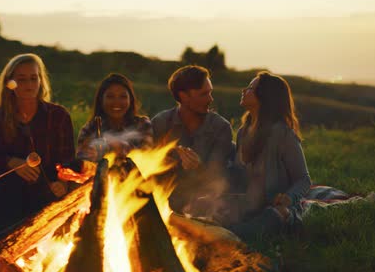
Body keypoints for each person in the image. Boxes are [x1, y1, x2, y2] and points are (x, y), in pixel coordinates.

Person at [0, 53, 74, 227]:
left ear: (41, 81)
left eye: (33, 78)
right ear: (10, 83)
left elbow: (67, 159)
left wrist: (62, 182)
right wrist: (12, 162)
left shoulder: (58, 116)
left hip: (47, 194)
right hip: (8, 196)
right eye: (21, 79)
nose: (29, 85)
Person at [228, 71, 312, 240]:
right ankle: (229, 231)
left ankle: (232, 235)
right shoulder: (243, 132)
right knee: (205, 202)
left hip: (273, 207)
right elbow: (238, 174)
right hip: (248, 203)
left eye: (251, 87)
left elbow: (304, 179)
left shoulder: (283, 134)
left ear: (265, 96)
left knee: (272, 218)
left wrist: (289, 198)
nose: (244, 90)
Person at [151, 65, 234, 219]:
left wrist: (199, 167)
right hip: (164, 198)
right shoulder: (161, 123)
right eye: (204, 94)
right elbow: (147, 168)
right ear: (184, 96)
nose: (210, 99)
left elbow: (217, 176)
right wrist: (164, 161)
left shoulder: (221, 128)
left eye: (210, 93)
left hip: (202, 202)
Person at [77, 73, 153, 161]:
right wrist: (87, 154)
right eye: (110, 97)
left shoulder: (142, 124)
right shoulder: (90, 128)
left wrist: (115, 147)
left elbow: (147, 155)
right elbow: (80, 161)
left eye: (123, 97)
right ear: (101, 100)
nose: (116, 102)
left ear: (130, 100)